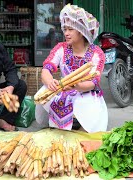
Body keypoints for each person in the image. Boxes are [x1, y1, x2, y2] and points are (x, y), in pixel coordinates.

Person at [35, 4, 108, 133]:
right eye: (65, 29)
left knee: (84, 104)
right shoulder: (61, 48)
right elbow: (46, 69)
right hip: (63, 87)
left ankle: (81, 124)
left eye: (70, 29)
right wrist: (49, 81)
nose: (66, 33)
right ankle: (60, 124)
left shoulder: (97, 53)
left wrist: (76, 86)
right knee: (44, 92)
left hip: (85, 91)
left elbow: (93, 82)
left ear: (81, 31)